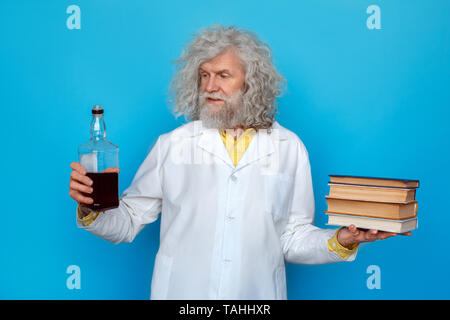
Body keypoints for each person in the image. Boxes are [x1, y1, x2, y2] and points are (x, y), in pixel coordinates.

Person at [69, 25, 410, 299]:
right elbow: (127, 222)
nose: (210, 86)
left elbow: (292, 238)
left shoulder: (289, 148)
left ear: (251, 82)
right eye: (203, 75)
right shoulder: (173, 145)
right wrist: (92, 208)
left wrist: (342, 240)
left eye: (223, 75)